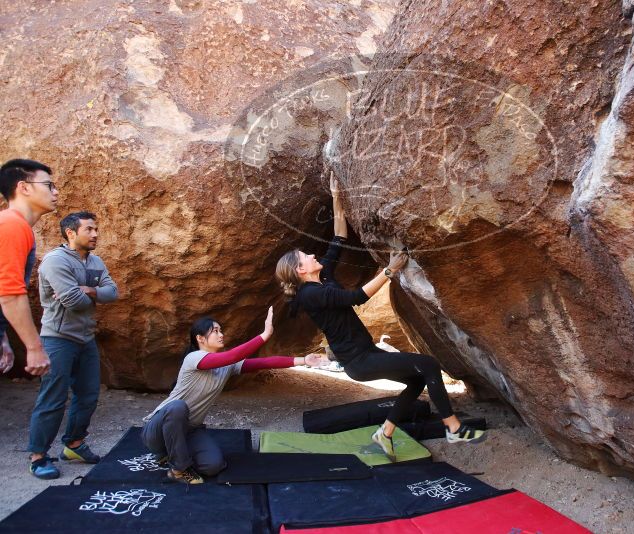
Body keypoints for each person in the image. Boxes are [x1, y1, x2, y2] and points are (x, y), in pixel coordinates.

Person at [275, 173, 486, 462]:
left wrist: (337, 197)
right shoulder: (310, 294)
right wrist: (390, 270)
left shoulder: (321, 276)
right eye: (306, 256)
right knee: (428, 365)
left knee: (416, 380)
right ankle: (453, 427)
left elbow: (339, 238)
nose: (313, 254)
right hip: (359, 362)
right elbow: (356, 298)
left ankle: (384, 434)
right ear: (301, 270)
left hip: (367, 353)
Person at [142, 307, 323, 484]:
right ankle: (178, 469)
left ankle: (171, 453)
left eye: (221, 331)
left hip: (189, 430)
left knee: (213, 466)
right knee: (177, 407)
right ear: (200, 338)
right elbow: (230, 356)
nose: (221, 335)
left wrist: (303, 360)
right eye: (215, 331)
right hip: (157, 430)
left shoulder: (227, 366)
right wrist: (264, 335)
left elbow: (263, 362)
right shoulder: (193, 359)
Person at [27, 211, 118, 479]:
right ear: (71, 233)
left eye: (96, 229)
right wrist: (87, 292)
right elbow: (73, 302)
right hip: (58, 338)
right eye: (89, 229)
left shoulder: (96, 261)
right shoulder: (55, 261)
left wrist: (88, 290)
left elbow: (113, 293)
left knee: (88, 395)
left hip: (85, 338)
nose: (95, 234)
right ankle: (38, 457)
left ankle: (74, 445)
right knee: (53, 398)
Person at [0, 159, 58, 378]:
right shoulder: (12, 225)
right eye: (48, 185)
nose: (56, 191)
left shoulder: (11, 224)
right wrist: (34, 349)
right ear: (23, 187)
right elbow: (10, 294)